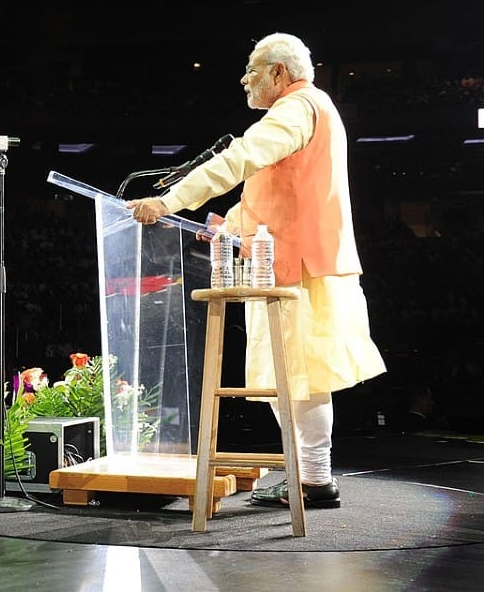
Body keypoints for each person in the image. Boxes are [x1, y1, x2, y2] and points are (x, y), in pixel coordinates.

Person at [126, 32, 387, 509]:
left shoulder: (295, 108)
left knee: (298, 379)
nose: (244, 78)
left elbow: (239, 160)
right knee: (291, 378)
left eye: (252, 69)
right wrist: (228, 226)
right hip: (291, 264)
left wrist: (169, 200)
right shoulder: (306, 109)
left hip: (298, 268)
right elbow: (272, 195)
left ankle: (314, 480)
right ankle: (310, 477)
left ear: (278, 73)